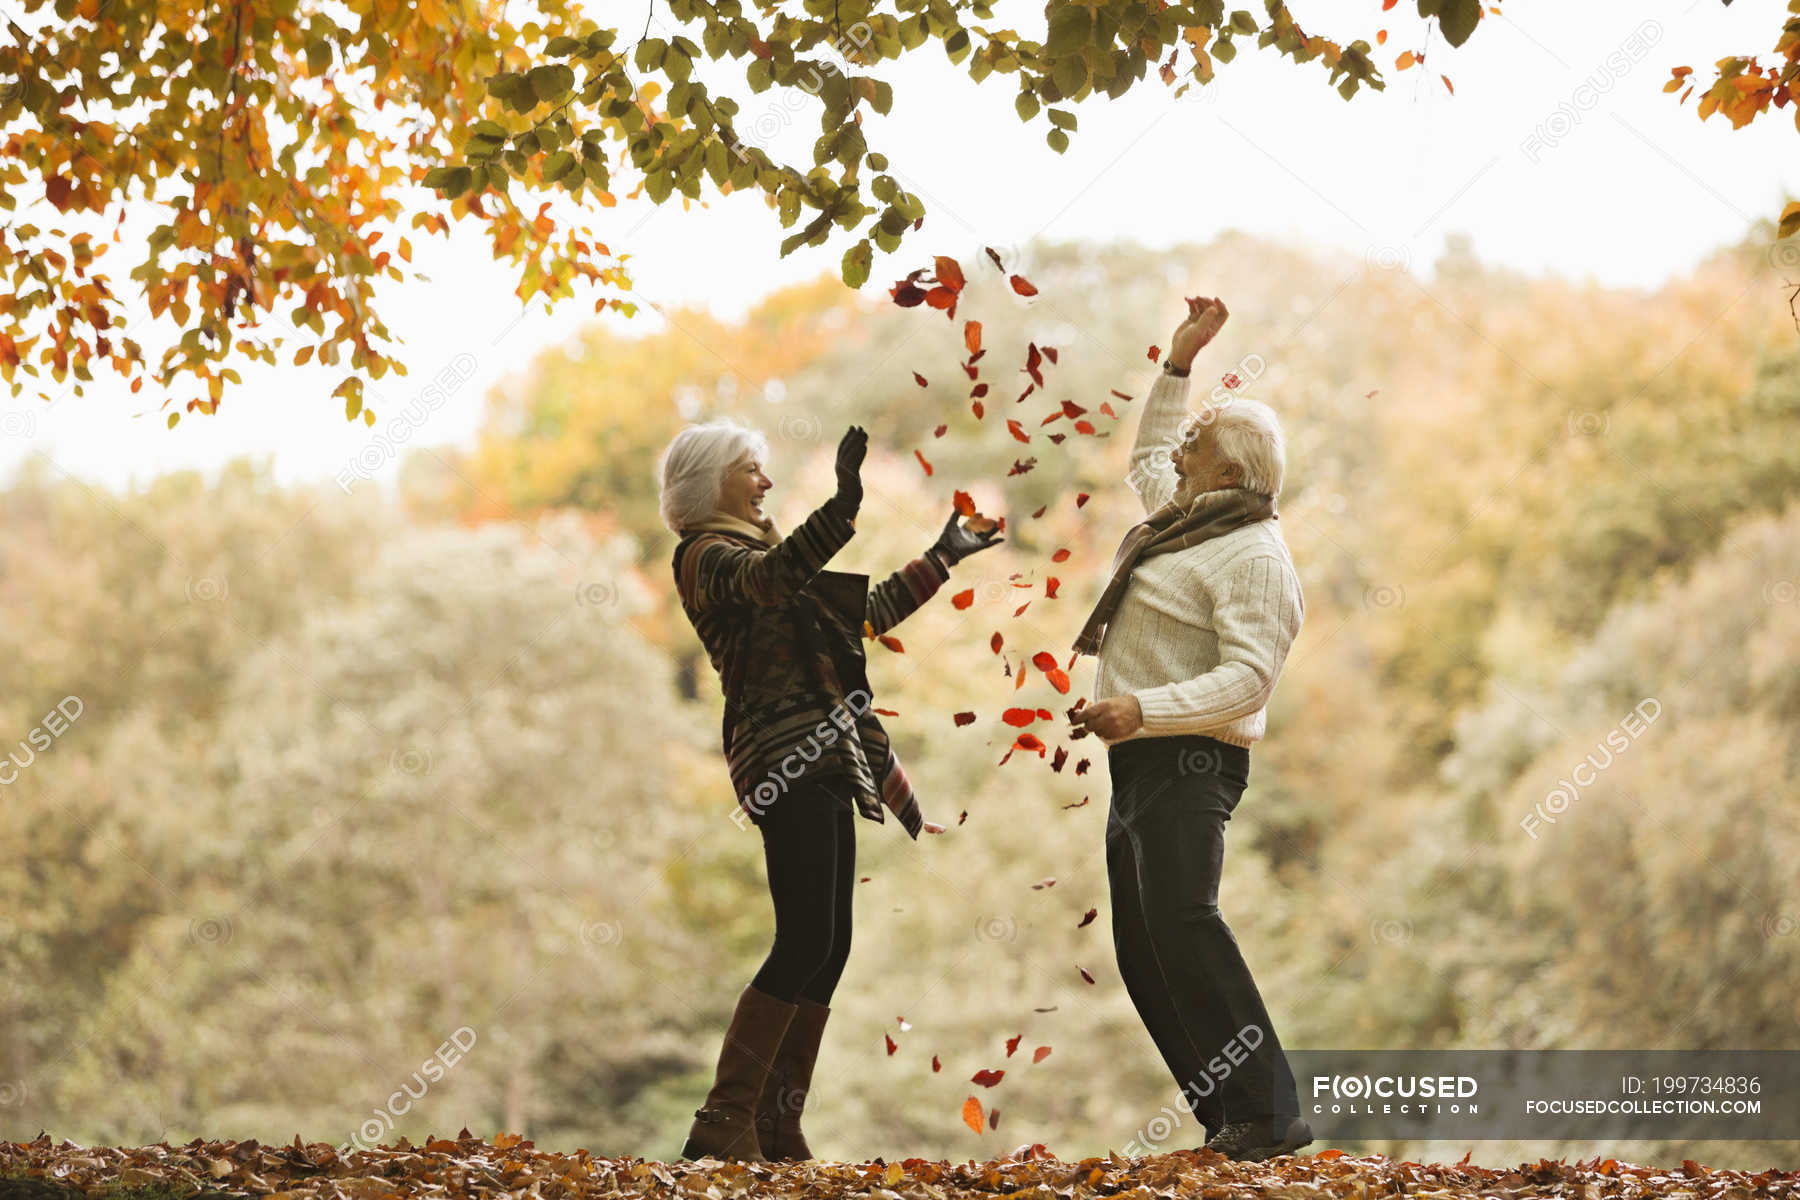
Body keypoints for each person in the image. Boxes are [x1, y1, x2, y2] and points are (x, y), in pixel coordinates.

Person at [658, 419, 1002, 1163]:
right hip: (783, 760)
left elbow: (865, 616)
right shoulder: (706, 559)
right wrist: (844, 502)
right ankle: (721, 1127)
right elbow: (770, 580)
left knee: (831, 942)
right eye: (751, 468)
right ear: (709, 481)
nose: (765, 481)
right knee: (805, 937)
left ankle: (777, 1128)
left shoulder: (767, 559)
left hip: (828, 756)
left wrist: (942, 557)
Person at [1069, 297, 1313, 1163]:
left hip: (1194, 760)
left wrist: (1143, 708)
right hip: (1140, 765)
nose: (1182, 451)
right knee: (1144, 949)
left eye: (1199, 442)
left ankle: (1270, 1113)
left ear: (1232, 470)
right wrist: (1178, 366)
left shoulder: (1253, 556)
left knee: (1186, 923)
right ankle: (1230, 1123)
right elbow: (1146, 456)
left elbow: (1250, 679)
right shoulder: (1184, 525)